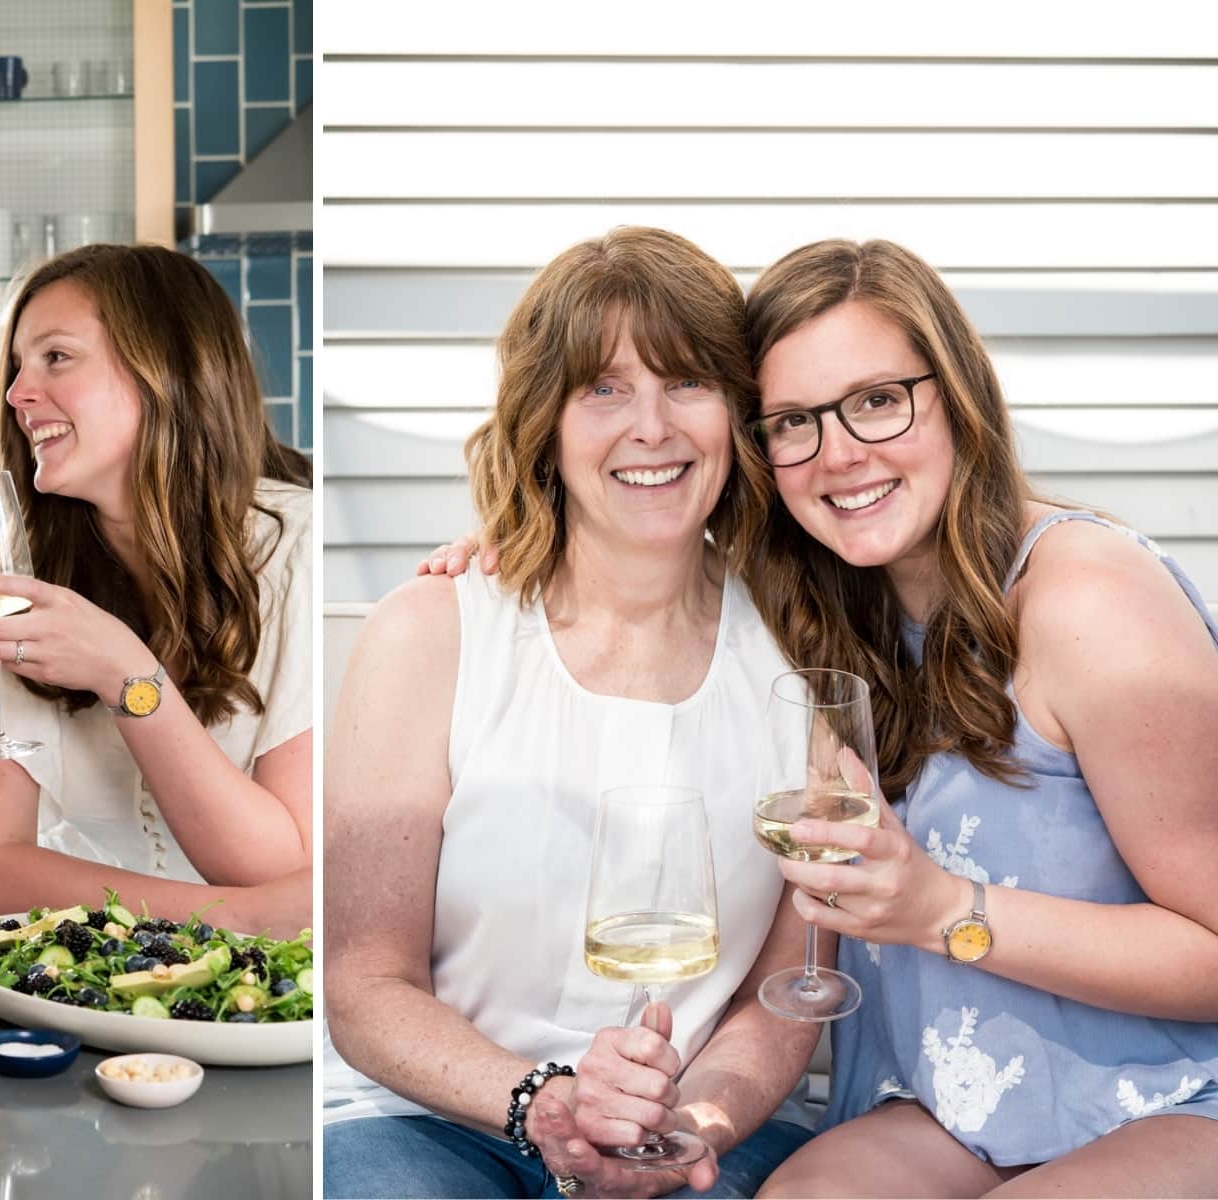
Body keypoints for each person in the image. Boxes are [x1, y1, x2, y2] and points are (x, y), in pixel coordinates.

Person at [325, 227, 822, 1200]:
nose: (652, 427)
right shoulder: (431, 637)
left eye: (686, 382)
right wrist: (544, 1104)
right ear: (545, 423)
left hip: (706, 1126)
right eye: (603, 388)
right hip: (433, 1121)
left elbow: (785, 991)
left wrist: (686, 1129)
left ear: (738, 415)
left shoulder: (805, 654)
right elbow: (364, 987)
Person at [730, 239, 1218, 1197]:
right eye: (793, 422)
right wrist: (516, 553)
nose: (839, 455)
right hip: (956, 1108)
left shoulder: (1086, 604)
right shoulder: (836, 612)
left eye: (876, 400)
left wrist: (947, 912)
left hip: (1173, 1096)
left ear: (956, 395)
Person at [0, 243, 312, 937]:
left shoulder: (300, 551)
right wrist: (236, 918)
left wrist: (127, 676)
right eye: (16, 367)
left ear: (168, 370)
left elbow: (277, 861)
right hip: (70, 982)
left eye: (55, 358)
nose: (16, 394)